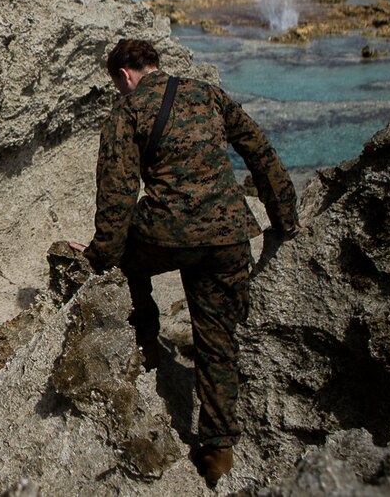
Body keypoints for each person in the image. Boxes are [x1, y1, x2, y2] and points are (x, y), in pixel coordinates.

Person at [69, 38, 299, 485]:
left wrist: (99, 255)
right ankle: (217, 451)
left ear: (123, 75)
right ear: (155, 64)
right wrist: (284, 219)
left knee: (124, 266)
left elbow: (116, 198)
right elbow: (260, 150)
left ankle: (148, 342)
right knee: (216, 339)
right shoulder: (207, 94)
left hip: (166, 235)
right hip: (229, 235)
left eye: (118, 84)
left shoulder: (127, 111)